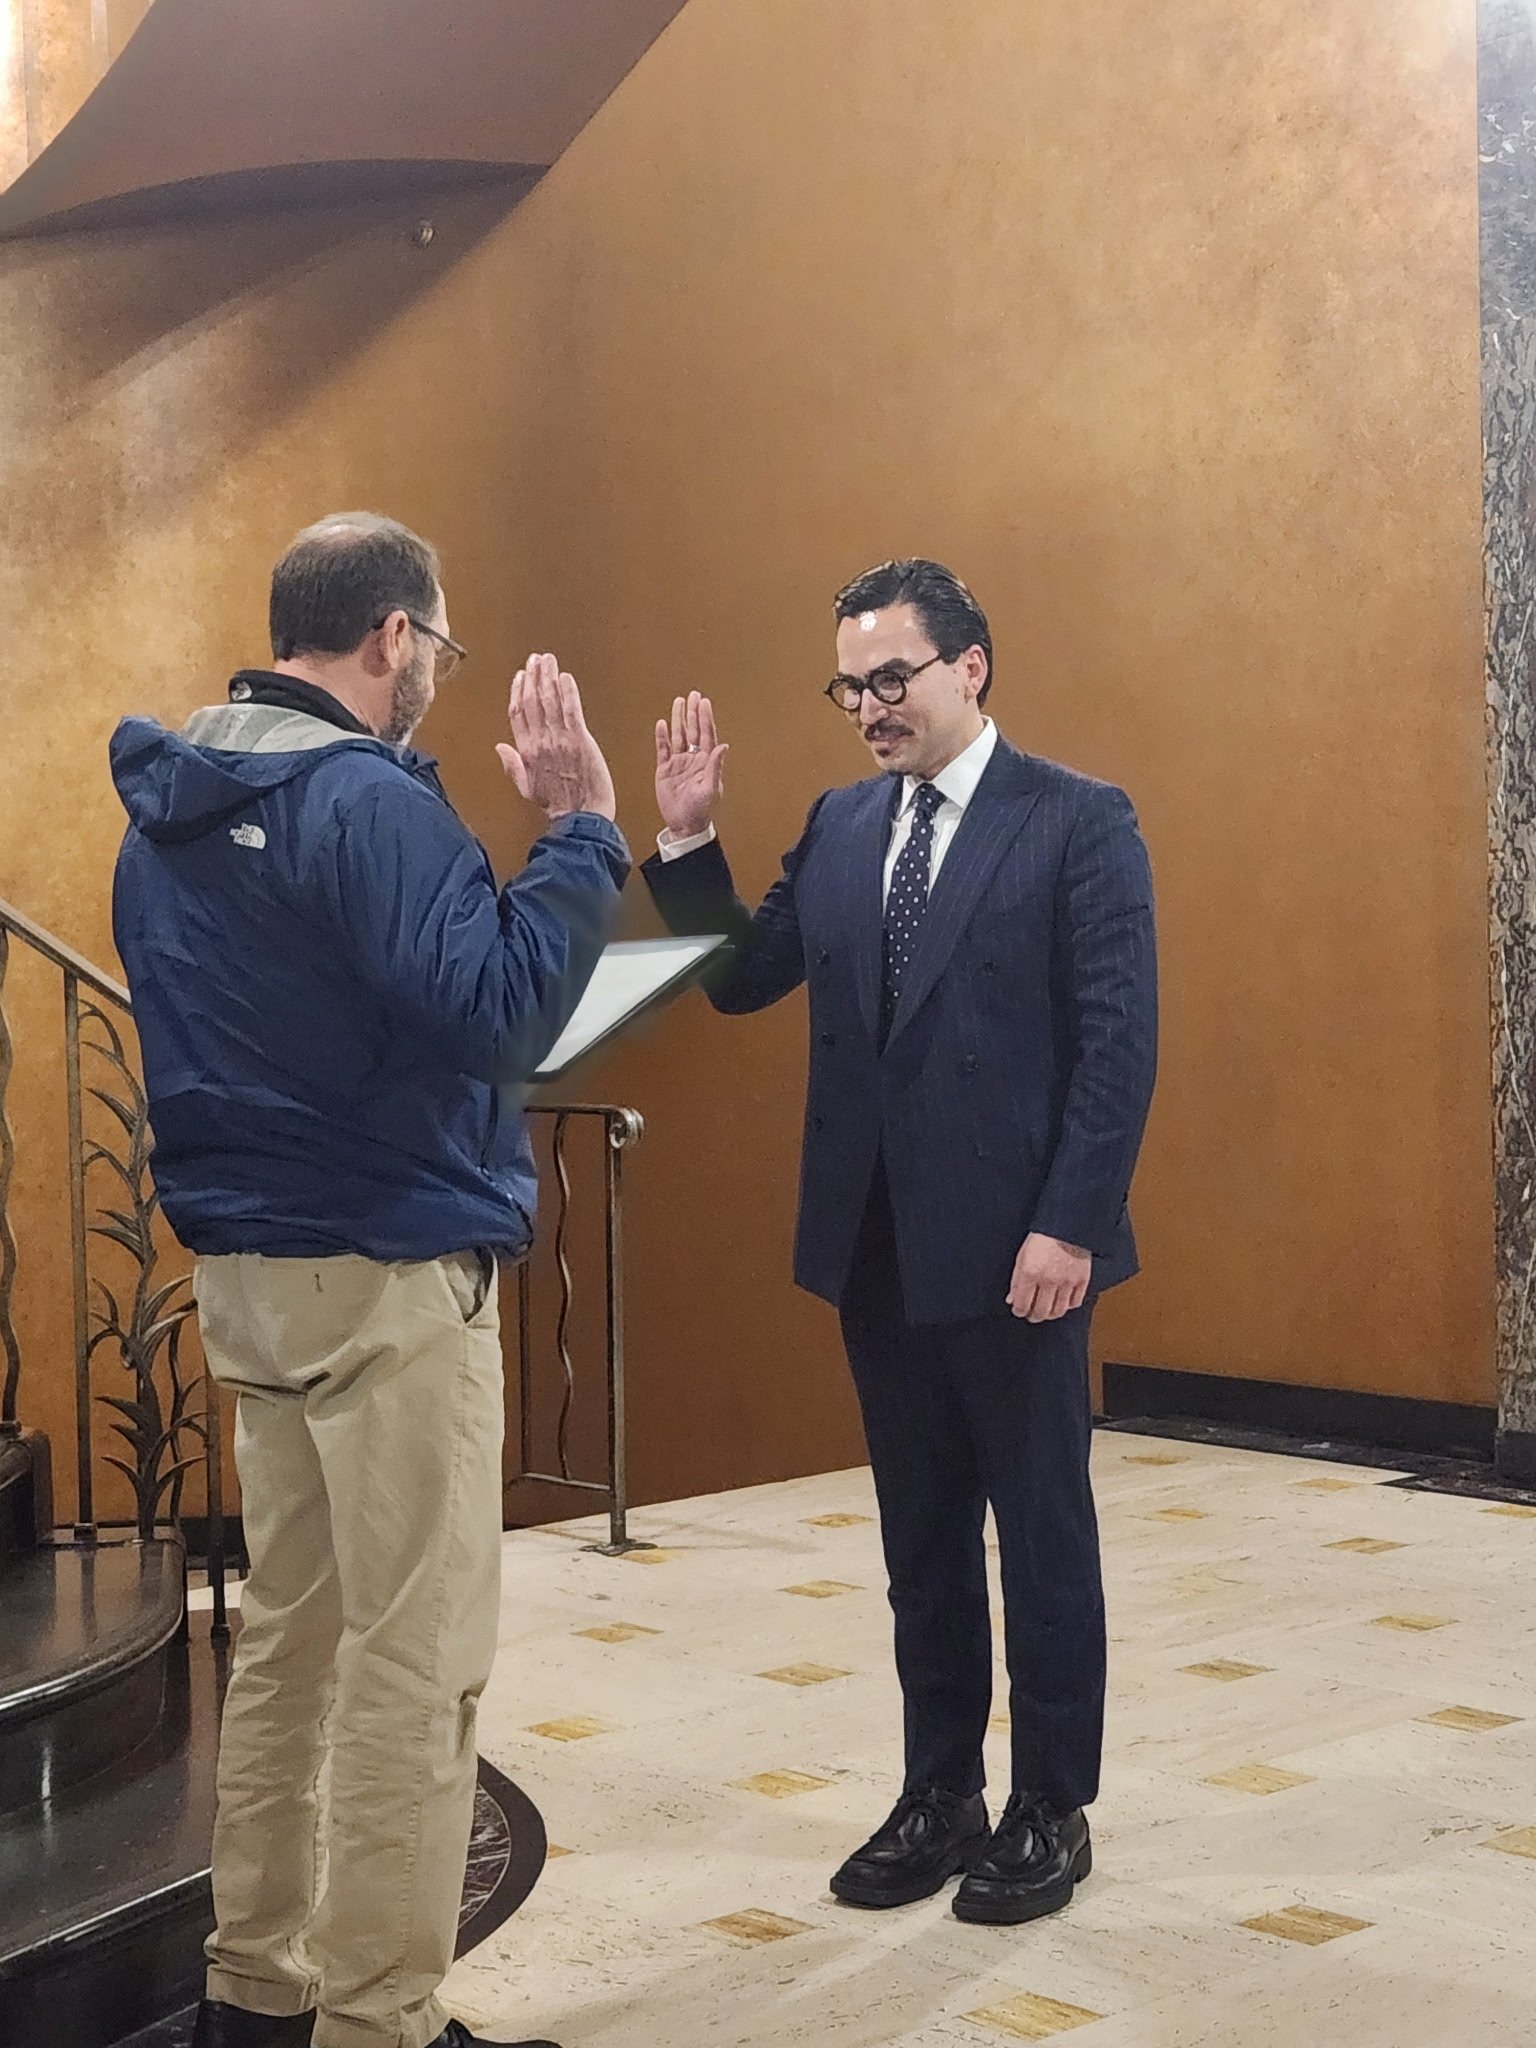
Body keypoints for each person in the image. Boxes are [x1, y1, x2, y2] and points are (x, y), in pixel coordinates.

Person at [110, 513, 627, 2048]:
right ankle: (382, 2022)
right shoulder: (364, 801)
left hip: (250, 1285)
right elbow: (504, 1014)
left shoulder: (169, 815)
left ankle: (254, 1994)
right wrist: (584, 834)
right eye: (438, 653)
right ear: (390, 636)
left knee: (291, 1645)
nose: (435, 686)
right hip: (389, 1277)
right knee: (418, 1668)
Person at [643, 558, 1157, 1926]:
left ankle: (1052, 1804)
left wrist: (1072, 1225)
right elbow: (743, 985)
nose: (868, 705)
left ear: (969, 666)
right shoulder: (841, 821)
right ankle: (943, 1796)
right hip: (877, 1248)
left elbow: (1117, 1048)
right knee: (920, 1541)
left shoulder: (1077, 821)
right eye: (850, 684)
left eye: (892, 678)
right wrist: (689, 846)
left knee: (1040, 1535)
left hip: (1019, 1256)